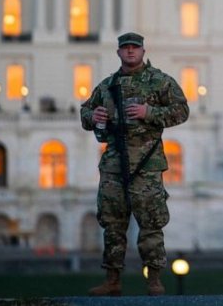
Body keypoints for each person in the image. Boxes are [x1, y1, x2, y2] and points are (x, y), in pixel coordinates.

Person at [80, 32, 189, 296]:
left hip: (146, 165)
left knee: (151, 223)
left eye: (135, 48)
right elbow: (85, 113)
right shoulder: (107, 86)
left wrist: (148, 113)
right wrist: (93, 115)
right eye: (125, 48)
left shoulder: (159, 81)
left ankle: (153, 279)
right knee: (112, 223)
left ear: (142, 51)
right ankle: (112, 280)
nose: (130, 52)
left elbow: (182, 111)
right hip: (115, 164)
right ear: (118, 52)